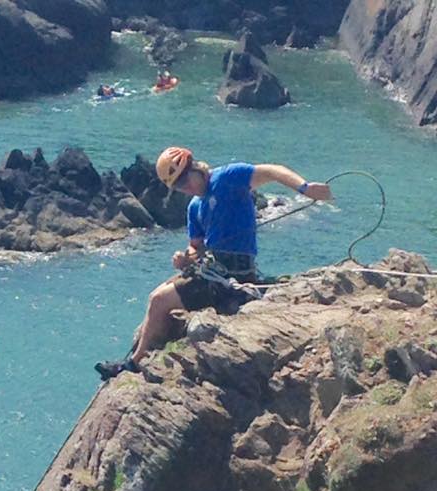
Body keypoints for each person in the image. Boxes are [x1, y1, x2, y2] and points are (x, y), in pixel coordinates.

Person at [95, 146, 333, 380]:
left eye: (185, 179)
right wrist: (185, 257)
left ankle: (134, 364)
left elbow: (272, 171)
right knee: (156, 295)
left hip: (234, 274)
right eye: (178, 186)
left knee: (159, 300)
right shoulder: (195, 207)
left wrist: (304, 187)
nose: (186, 187)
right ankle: (137, 356)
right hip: (213, 271)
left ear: (195, 167)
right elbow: (196, 247)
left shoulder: (228, 177)